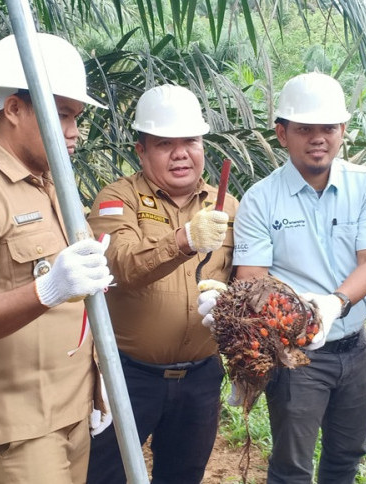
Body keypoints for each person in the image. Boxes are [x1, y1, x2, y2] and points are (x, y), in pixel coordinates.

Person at [0, 33, 112, 483]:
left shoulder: (52, 185)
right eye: (63, 115)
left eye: (77, 118)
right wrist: (49, 289)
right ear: (13, 109)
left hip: (68, 410)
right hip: (12, 429)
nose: (73, 132)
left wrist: (97, 388)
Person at [229, 72, 366, 483]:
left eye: (328, 128)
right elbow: (252, 281)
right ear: (282, 134)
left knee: (347, 454)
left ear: (343, 131)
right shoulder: (260, 199)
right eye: (305, 129)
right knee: (292, 463)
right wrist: (304, 316)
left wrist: (333, 304)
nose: (318, 138)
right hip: (294, 355)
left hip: (354, 349)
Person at [85, 83, 238, 484]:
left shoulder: (227, 205)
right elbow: (120, 266)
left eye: (190, 140)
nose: (180, 153)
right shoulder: (117, 200)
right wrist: (184, 239)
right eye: (164, 143)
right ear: (141, 150)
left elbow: (247, 277)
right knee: (108, 475)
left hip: (201, 377)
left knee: (183, 475)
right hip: (130, 377)